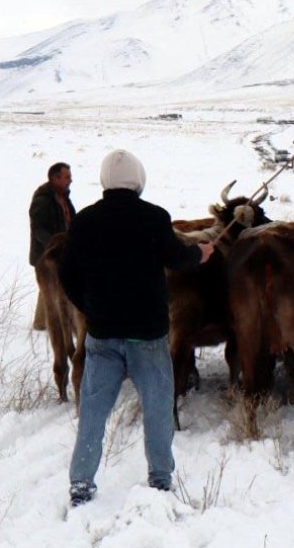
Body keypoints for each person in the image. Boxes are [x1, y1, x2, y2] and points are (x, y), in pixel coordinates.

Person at [59, 150, 214, 507]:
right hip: (148, 335)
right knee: (158, 408)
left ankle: (81, 484)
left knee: (93, 414)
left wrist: (91, 307)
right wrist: (201, 254)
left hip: (102, 335)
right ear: (138, 180)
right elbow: (178, 258)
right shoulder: (154, 218)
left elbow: (66, 273)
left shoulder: (85, 221)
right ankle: (160, 480)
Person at [29, 162, 75, 330]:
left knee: (55, 287)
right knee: (48, 288)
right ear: (55, 178)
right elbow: (38, 229)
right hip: (46, 255)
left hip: (61, 253)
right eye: (67, 177)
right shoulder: (42, 200)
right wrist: (54, 245)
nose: (71, 180)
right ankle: (41, 323)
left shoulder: (64, 198)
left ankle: (46, 322)